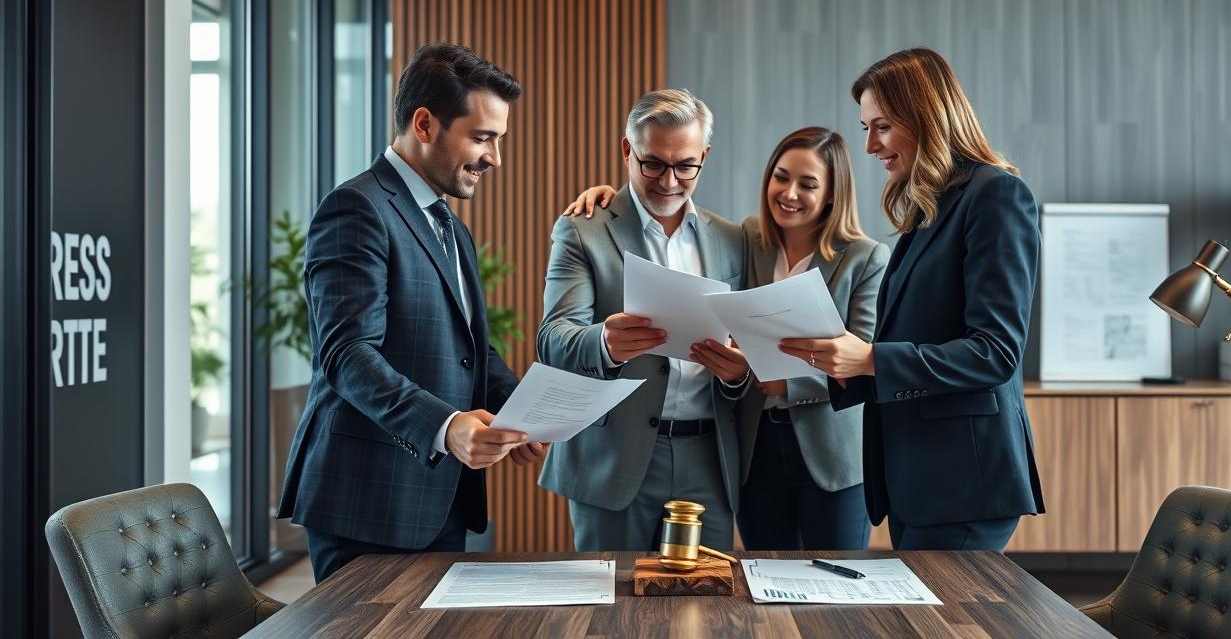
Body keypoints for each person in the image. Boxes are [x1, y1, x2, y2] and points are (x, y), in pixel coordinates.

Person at [277, 43, 547, 583]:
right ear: (424, 123)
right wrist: (447, 427)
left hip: (440, 498)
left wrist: (526, 408)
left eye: (499, 139)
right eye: (482, 137)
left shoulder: (449, 224)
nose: (494, 158)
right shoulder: (356, 208)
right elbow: (347, 354)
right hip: (368, 502)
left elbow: (471, 350)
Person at [565, 127, 888, 550]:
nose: (789, 193)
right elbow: (663, 210)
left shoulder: (864, 258)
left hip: (831, 452)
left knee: (835, 584)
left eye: (807, 184)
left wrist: (784, 385)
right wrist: (612, 196)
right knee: (761, 576)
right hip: (755, 451)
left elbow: (862, 360)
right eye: (781, 177)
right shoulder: (748, 240)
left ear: (832, 194)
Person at [779, 48, 1045, 551]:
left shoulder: (997, 195)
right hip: (920, 482)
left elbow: (996, 353)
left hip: (964, 484)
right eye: (866, 128)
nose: (870, 145)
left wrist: (872, 358)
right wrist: (840, 362)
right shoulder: (930, 210)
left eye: (881, 126)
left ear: (924, 114)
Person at [536, 88, 748, 552]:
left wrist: (736, 376)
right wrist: (605, 343)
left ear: (704, 157)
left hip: (709, 459)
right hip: (614, 455)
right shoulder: (582, 229)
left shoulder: (734, 240)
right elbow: (552, 339)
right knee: (609, 608)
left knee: (707, 611)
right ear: (626, 150)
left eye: (685, 165)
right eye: (653, 163)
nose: (669, 181)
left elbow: (749, 341)